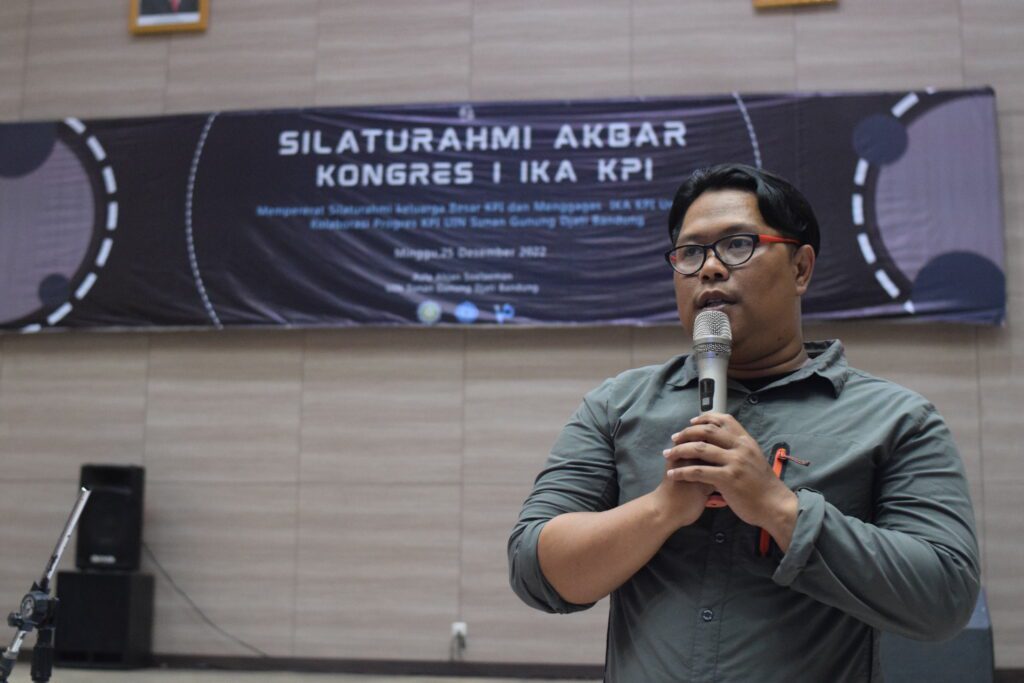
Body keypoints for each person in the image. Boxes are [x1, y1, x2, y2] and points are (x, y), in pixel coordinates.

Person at [508, 163, 980, 682]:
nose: (710, 268)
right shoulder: (616, 406)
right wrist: (661, 510)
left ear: (801, 269)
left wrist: (778, 508)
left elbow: (945, 597)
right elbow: (534, 571)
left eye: (737, 245)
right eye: (690, 253)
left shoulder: (898, 420)